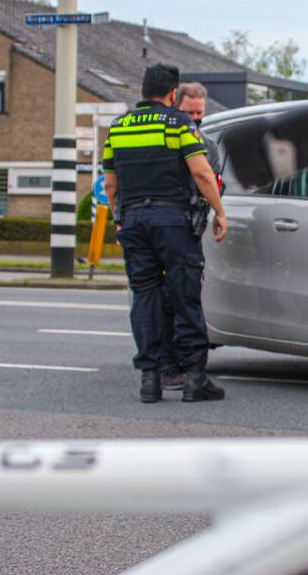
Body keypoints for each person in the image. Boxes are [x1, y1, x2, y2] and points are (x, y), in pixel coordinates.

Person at [103, 64, 228, 403]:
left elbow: (110, 183)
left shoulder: (118, 127)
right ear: (173, 94)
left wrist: (119, 220)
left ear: (142, 90)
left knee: (145, 297)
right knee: (184, 295)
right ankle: (194, 379)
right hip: (172, 221)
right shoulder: (178, 123)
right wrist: (219, 210)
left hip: (133, 221)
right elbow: (202, 173)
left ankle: (150, 380)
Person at [158, 82, 222, 390]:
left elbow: (214, 184)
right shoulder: (160, 141)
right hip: (164, 228)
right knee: (166, 299)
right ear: (175, 107)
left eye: (199, 113)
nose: (194, 119)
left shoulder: (209, 145)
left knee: (186, 297)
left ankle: (182, 365)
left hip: (190, 229)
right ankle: (167, 364)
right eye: (188, 112)